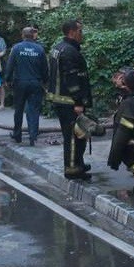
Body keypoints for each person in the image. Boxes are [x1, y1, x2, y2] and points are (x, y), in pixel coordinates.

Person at [48, 19, 92, 180]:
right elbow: (72, 80)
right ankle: (73, 169)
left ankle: (78, 162)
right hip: (69, 103)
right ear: (72, 32)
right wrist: (79, 102)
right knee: (74, 137)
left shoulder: (58, 48)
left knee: (77, 135)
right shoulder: (69, 52)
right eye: (80, 31)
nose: (82, 34)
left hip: (62, 101)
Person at [4, 26, 47, 146]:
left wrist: (7, 79)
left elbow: (10, 65)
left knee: (18, 109)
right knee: (33, 110)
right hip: (35, 83)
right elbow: (45, 68)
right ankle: (33, 136)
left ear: (22, 35)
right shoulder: (40, 49)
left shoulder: (16, 48)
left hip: (20, 83)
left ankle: (17, 135)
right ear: (33, 36)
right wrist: (45, 81)